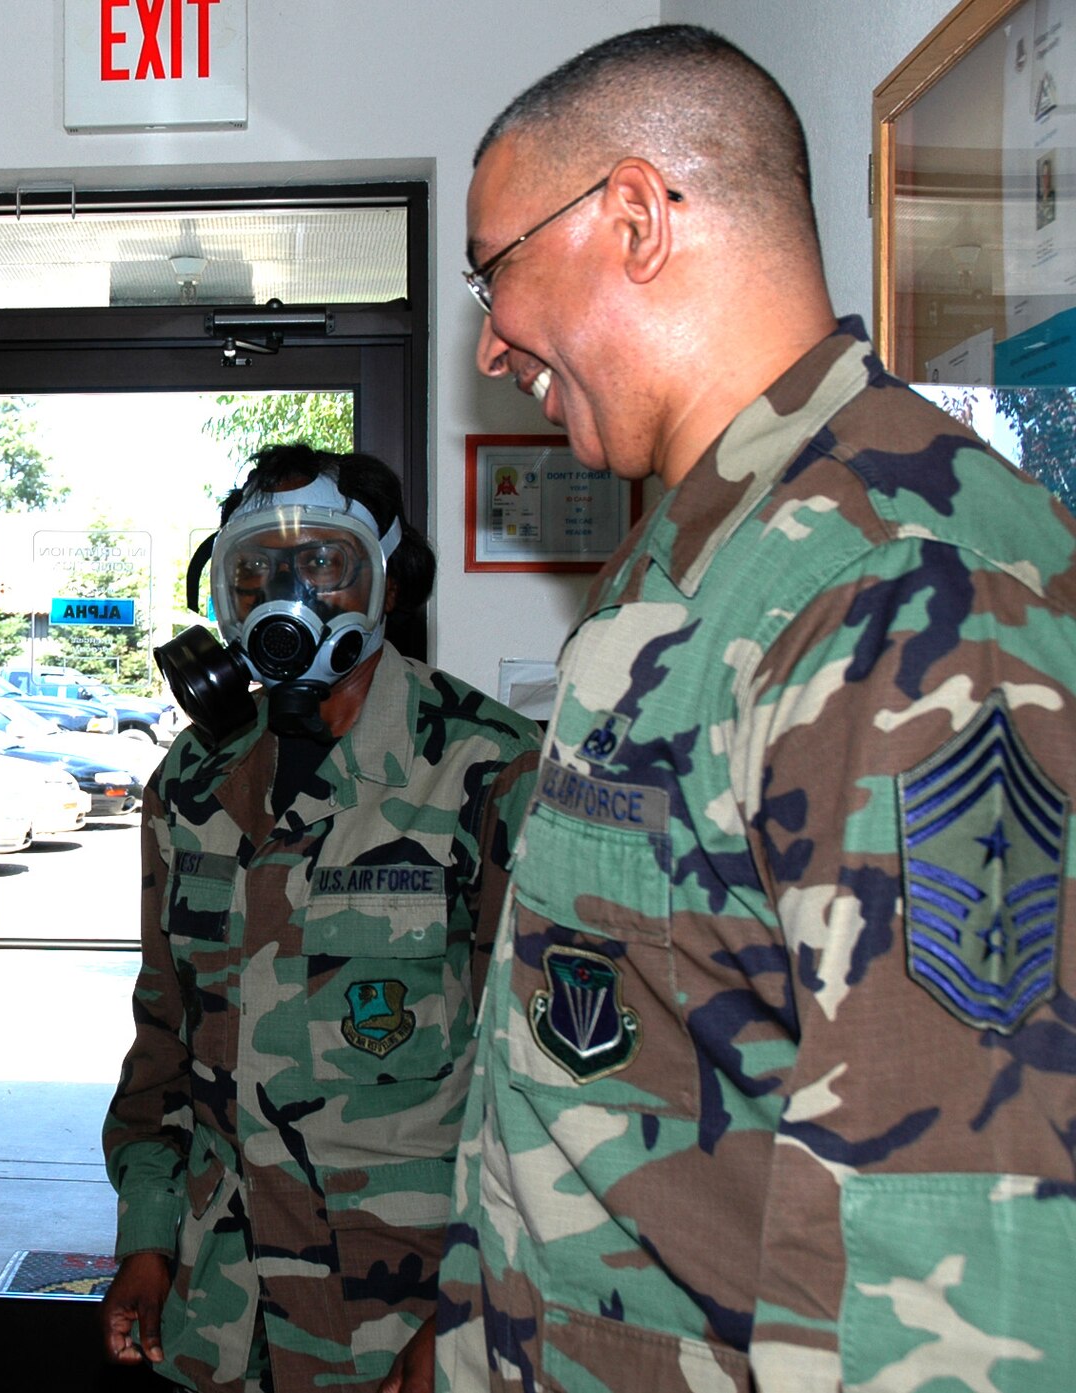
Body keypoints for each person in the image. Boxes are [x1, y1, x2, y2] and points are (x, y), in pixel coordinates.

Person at [426, 24, 1076, 1392]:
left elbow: (961, 1262)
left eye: (495, 271)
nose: (489, 345)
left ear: (636, 218)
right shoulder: (703, 558)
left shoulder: (902, 591)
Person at [100, 444, 539, 1393]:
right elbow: (164, 1036)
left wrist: (469, 1307)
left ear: (389, 580)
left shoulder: (489, 767)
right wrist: (147, 1237)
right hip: (220, 1308)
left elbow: (535, 1089)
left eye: (322, 563)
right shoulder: (194, 780)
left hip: (400, 1309)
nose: (285, 594)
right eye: (255, 569)